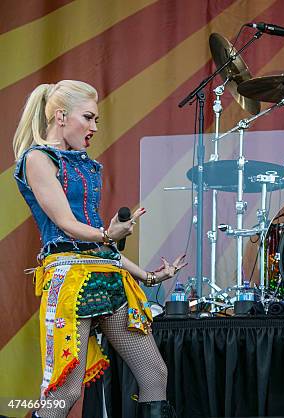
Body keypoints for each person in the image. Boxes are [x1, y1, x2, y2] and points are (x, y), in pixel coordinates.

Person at [12, 80, 187, 418]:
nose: (94, 127)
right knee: (66, 392)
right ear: (61, 116)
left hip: (108, 281)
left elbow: (100, 246)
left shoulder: (82, 163)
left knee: (155, 373)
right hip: (71, 283)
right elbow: (67, 225)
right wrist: (109, 234)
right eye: (88, 117)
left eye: (96, 120)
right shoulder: (37, 158)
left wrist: (150, 276)